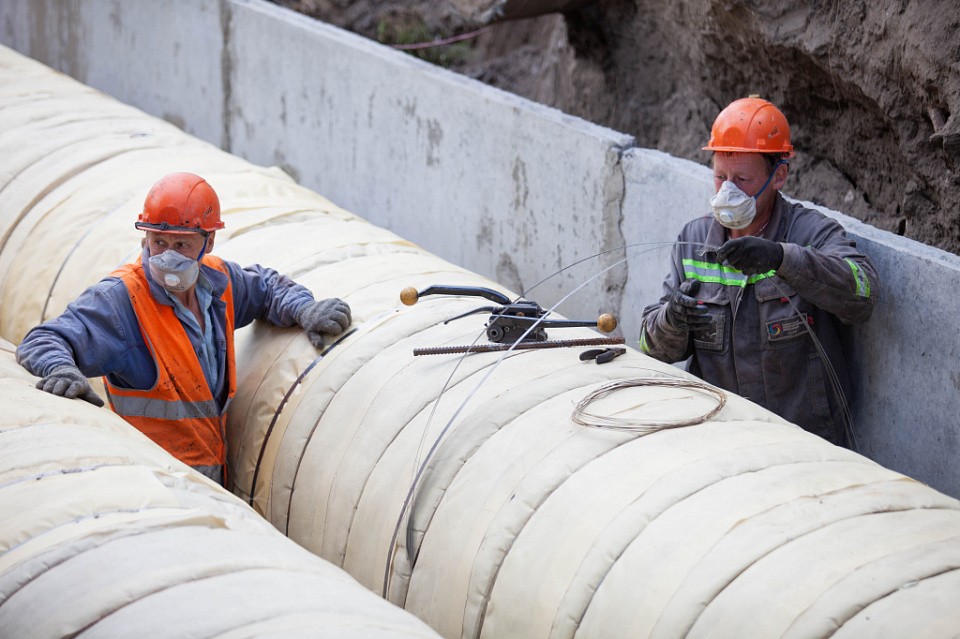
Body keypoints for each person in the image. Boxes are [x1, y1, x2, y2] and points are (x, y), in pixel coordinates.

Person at [16, 172, 352, 484]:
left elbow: (266, 288)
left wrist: (305, 309)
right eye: (159, 242)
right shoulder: (121, 302)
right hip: (150, 485)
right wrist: (62, 369)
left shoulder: (219, 282)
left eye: (181, 245)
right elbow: (43, 339)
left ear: (208, 242)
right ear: (145, 238)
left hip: (210, 484)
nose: (167, 256)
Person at [639, 97, 878, 446]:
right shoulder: (693, 241)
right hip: (721, 442)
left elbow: (863, 292)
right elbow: (649, 346)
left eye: (743, 179)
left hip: (804, 448)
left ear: (779, 176)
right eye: (720, 177)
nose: (727, 191)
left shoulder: (810, 234)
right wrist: (672, 320)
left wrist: (782, 259)